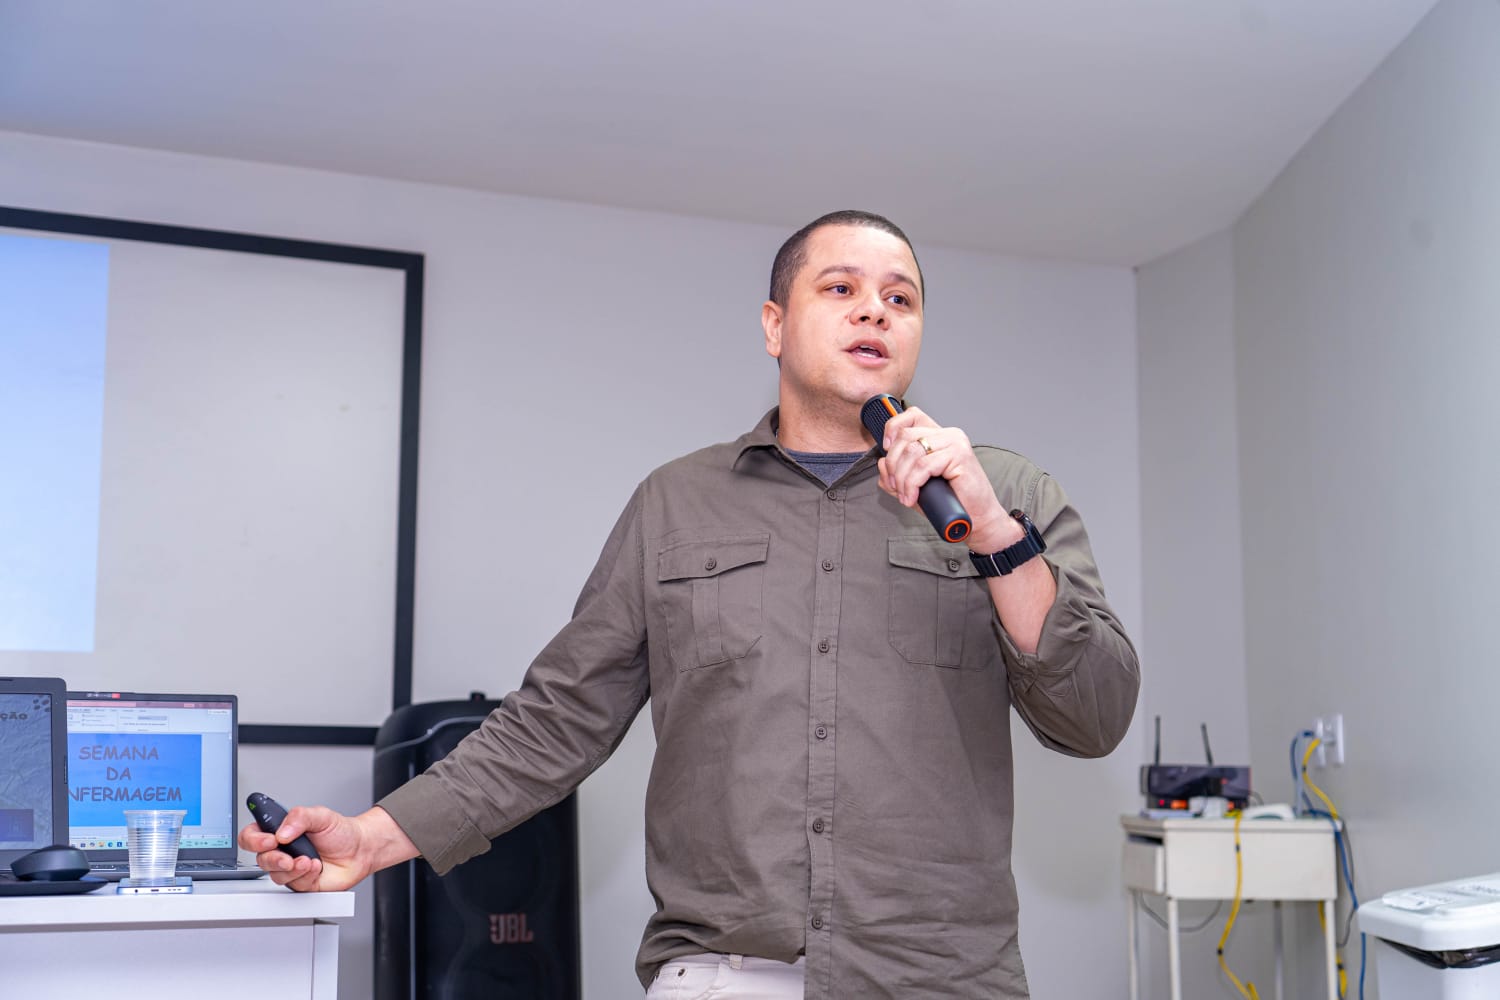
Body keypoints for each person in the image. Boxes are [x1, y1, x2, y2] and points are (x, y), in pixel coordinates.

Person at [241, 210, 1140, 999]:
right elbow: (554, 721)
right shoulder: (674, 504)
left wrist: (994, 532)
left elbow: (1094, 716)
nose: (875, 310)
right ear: (775, 326)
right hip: (727, 973)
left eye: (900, 299)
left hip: (944, 978)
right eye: (841, 288)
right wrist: (370, 838)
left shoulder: (1005, 492)